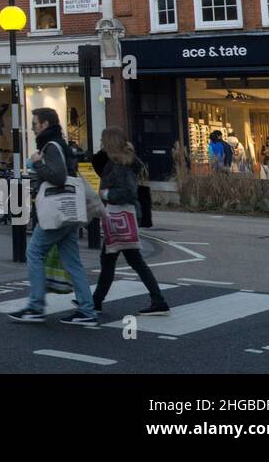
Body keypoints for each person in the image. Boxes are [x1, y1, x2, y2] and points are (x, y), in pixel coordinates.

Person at [10, 108, 98, 325]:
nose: (32, 126)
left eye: (35, 123)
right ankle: (87, 310)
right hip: (68, 211)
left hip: (56, 213)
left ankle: (35, 307)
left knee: (33, 252)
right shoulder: (60, 144)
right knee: (72, 261)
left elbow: (58, 177)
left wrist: (38, 163)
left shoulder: (51, 146)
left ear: (45, 124)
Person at [89, 128, 170, 316]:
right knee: (122, 261)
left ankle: (96, 302)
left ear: (109, 142)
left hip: (120, 217)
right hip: (124, 217)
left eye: (103, 140)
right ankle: (96, 301)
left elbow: (128, 192)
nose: (101, 143)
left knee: (118, 261)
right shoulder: (121, 161)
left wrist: (106, 194)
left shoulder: (120, 165)